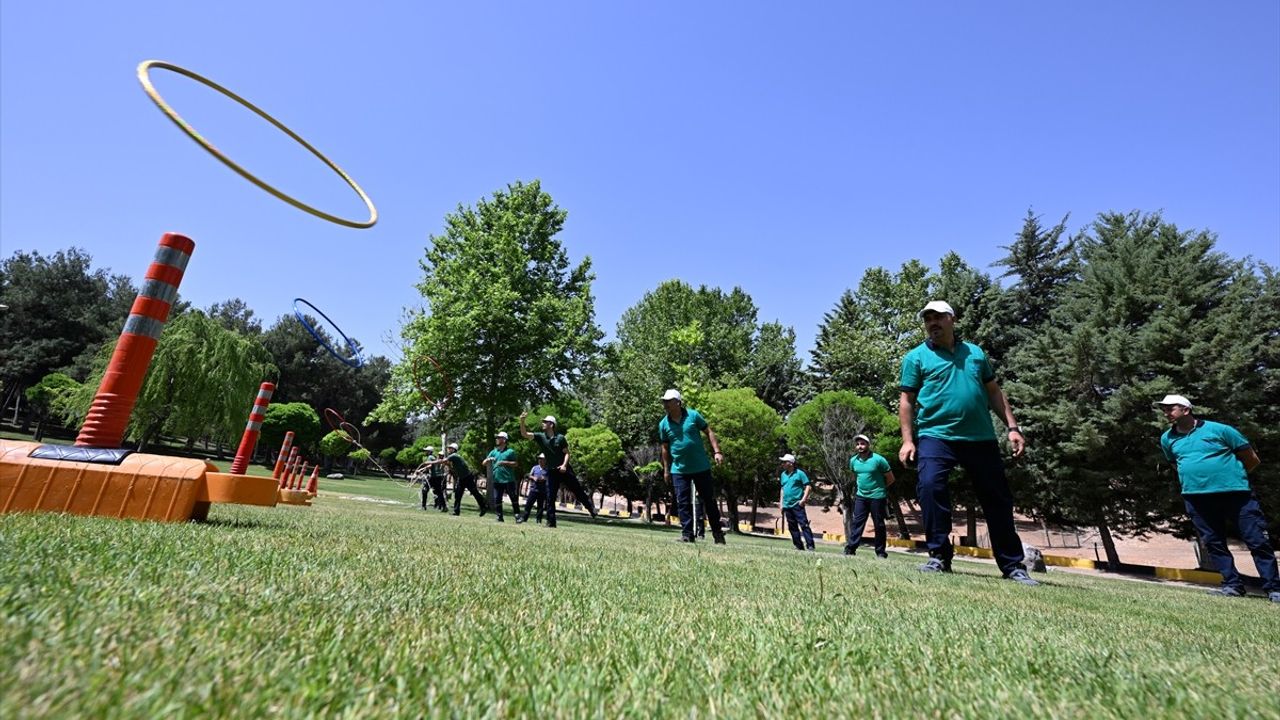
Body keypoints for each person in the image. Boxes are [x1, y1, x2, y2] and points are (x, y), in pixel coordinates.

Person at [898, 300, 1038, 586]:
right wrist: (908, 440)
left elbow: (994, 392)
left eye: (938, 317)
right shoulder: (916, 357)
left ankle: (1012, 566)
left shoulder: (975, 354)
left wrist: (1013, 427)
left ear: (952, 319)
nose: (932, 323)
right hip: (936, 435)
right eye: (928, 319)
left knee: (997, 499)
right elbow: (907, 401)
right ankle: (938, 556)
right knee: (930, 486)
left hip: (980, 437)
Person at [1157, 394, 1279, 602]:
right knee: (1214, 543)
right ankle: (1232, 586)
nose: (1166, 412)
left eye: (1170, 408)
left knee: (1257, 541)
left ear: (1186, 410)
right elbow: (1175, 464)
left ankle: (1274, 588)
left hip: (1236, 495)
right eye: (1164, 409)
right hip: (1196, 498)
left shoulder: (1221, 430)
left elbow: (1251, 459)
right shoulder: (1167, 438)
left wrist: (1229, 478)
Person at [658, 389, 726, 545]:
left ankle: (717, 533)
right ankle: (687, 534)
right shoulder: (663, 424)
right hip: (679, 470)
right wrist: (666, 470)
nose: (665, 404)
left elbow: (708, 431)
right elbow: (665, 448)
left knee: (709, 501)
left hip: (701, 467)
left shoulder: (693, 415)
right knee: (682, 503)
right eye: (664, 401)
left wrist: (717, 451)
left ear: (678, 402)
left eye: (669, 401)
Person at [518, 412, 598, 528]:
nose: (543, 424)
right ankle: (551, 523)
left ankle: (591, 510)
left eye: (545, 422)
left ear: (551, 424)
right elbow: (524, 434)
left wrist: (564, 465)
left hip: (564, 469)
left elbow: (567, 454)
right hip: (551, 471)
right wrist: (522, 421)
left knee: (577, 490)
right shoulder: (541, 437)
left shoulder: (560, 438)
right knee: (550, 496)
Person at [846, 434, 895, 558]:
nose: (860, 446)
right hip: (861, 497)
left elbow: (890, 478)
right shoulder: (853, 461)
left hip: (877, 497)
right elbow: (855, 476)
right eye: (857, 444)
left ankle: (880, 552)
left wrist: (880, 489)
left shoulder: (879, 460)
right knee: (857, 523)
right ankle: (850, 549)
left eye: (862, 444)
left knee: (879, 524)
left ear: (868, 445)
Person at [424, 442, 487, 516]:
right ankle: (456, 511)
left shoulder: (454, 456)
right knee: (458, 494)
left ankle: (483, 507)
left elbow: (441, 461)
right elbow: (451, 467)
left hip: (467, 477)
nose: (448, 449)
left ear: (454, 450)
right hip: (461, 478)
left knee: (474, 493)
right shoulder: (453, 457)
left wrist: (430, 462)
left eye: (450, 448)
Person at [482, 432, 521, 522]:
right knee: (497, 498)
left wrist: (505, 462)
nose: (497, 439)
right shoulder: (494, 452)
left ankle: (517, 515)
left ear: (504, 440)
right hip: (497, 479)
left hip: (508, 479)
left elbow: (515, 464)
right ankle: (499, 516)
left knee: (513, 498)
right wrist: (488, 459)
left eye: (499, 438)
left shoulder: (510, 452)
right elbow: (483, 463)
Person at [778, 454, 814, 551]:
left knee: (804, 525)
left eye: (784, 462)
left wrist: (803, 500)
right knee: (792, 527)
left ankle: (810, 545)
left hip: (797, 504)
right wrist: (781, 503)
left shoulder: (800, 473)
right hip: (787, 505)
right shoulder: (783, 475)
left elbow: (808, 487)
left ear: (791, 463)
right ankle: (798, 546)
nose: (782, 464)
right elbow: (782, 489)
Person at [517, 453, 549, 524]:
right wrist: (533, 477)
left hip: (542, 491)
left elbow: (549, 478)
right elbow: (529, 475)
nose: (540, 460)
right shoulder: (535, 468)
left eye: (542, 459)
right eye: (539, 459)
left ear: (545, 460)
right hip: (533, 490)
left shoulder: (547, 470)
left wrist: (544, 478)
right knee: (528, 505)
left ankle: (538, 520)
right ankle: (524, 518)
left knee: (540, 507)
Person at [422, 446, 448, 512]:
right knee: (439, 492)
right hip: (437, 477)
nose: (425, 452)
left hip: (434, 477)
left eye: (426, 451)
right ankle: (444, 507)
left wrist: (421, 470)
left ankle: (423, 506)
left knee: (425, 490)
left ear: (429, 451)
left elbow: (430, 466)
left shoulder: (430, 457)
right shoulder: (434, 457)